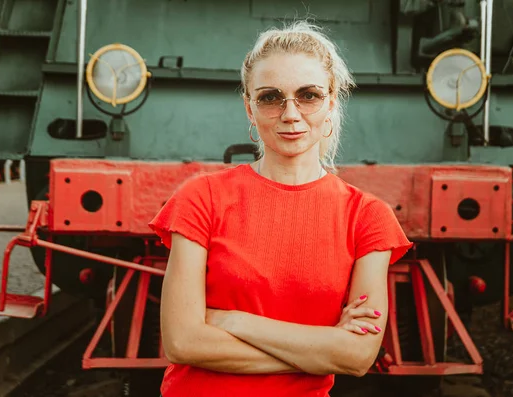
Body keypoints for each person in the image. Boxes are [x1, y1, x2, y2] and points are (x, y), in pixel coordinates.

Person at [148, 19, 412, 397]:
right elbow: (183, 342)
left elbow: (357, 356)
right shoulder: (200, 198)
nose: (290, 114)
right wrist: (322, 350)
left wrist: (234, 321)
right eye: (270, 97)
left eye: (309, 95)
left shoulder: (367, 218)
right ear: (250, 108)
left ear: (332, 102)